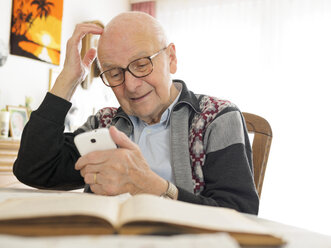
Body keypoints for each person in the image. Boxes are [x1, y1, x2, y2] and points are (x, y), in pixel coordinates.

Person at [13, 12, 259, 214]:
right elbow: (33, 169)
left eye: (142, 65)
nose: (130, 85)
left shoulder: (216, 118)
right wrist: (68, 79)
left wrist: (155, 188)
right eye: (114, 73)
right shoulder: (105, 125)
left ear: (171, 58)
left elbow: (240, 216)